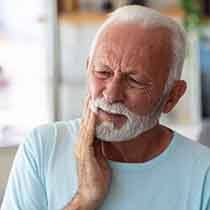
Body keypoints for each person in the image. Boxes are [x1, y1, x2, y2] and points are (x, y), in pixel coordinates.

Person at [1, 5, 210, 210]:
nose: (110, 95)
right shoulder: (43, 147)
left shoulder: (204, 174)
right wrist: (83, 201)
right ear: (87, 68)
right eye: (102, 72)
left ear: (172, 96)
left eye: (134, 81)